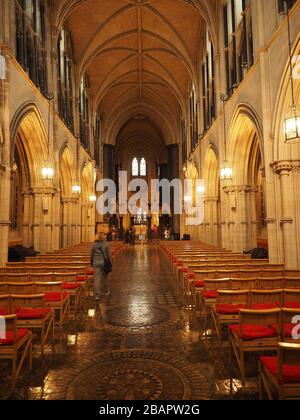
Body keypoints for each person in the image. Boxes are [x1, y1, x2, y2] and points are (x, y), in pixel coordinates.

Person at [90, 230, 112, 302]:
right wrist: (110, 263)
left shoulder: (93, 244)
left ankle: (97, 295)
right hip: (104, 262)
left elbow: (91, 255)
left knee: (97, 279)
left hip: (96, 262)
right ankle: (107, 291)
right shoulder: (106, 244)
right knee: (105, 277)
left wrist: (91, 262)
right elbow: (109, 255)